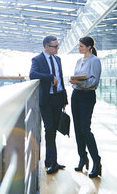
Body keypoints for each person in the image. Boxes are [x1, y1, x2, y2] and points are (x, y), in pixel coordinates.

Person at [29, 35, 68, 174]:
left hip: (58, 98)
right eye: (55, 46)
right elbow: (32, 74)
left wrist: (64, 99)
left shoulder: (58, 59)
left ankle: (50, 160)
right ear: (46, 47)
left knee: (53, 130)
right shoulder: (37, 59)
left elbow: (61, 79)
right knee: (49, 129)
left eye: (58, 45)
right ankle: (53, 162)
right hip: (46, 100)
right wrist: (50, 77)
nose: (58, 48)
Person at [69, 36, 102, 178]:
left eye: (81, 46)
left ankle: (96, 161)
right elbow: (76, 78)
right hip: (76, 95)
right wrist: (74, 81)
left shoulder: (95, 60)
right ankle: (83, 157)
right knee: (77, 129)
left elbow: (94, 81)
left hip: (87, 97)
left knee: (85, 129)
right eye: (79, 46)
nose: (79, 48)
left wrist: (81, 83)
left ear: (89, 47)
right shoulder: (78, 61)